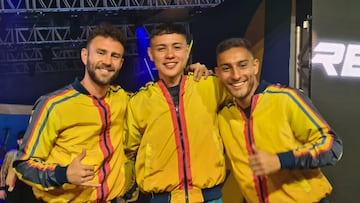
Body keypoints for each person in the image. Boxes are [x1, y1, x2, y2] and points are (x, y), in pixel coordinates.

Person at [12, 23, 136, 203]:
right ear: (85, 56)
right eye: (100, 53)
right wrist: (63, 174)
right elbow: (23, 164)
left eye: (115, 56)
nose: (108, 61)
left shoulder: (122, 98)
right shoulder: (53, 105)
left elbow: (155, 98)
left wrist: (190, 75)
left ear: (121, 63)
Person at [214, 38, 343, 203]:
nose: (236, 75)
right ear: (217, 73)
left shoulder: (285, 99)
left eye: (242, 65)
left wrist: (281, 160)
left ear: (255, 66)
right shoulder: (224, 116)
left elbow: (332, 146)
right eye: (226, 68)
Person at [124, 22, 229, 203]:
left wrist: (212, 73)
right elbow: (127, 153)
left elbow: (243, 101)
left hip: (210, 198)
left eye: (177, 47)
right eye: (161, 48)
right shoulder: (139, 102)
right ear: (151, 54)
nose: (170, 55)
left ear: (187, 51)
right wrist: (127, 193)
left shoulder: (211, 86)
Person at [0, 131, 39, 203]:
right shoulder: (11, 154)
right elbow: (3, 172)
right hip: (13, 187)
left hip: (30, 189)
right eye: (23, 139)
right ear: (18, 141)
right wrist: (1, 189)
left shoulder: (34, 155)